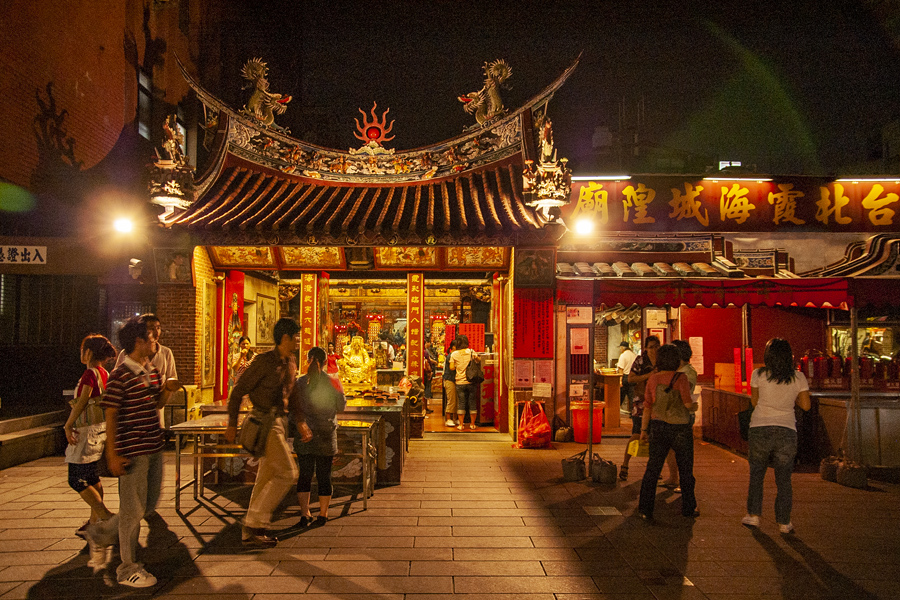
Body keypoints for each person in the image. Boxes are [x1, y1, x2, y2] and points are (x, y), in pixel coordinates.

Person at [87, 317, 178, 587]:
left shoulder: (151, 371)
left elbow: (156, 404)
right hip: (133, 451)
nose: (155, 341)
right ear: (138, 342)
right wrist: (112, 455)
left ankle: (103, 532)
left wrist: (167, 391)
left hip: (153, 447)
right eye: (150, 337)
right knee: (132, 511)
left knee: (146, 506)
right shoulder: (120, 375)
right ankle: (127, 570)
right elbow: (111, 415)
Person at [224, 318, 312, 548]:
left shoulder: (291, 362)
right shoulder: (263, 362)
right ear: (284, 338)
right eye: (295, 338)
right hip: (264, 421)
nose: (298, 342)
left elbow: (293, 396)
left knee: (265, 476)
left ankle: (250, 531)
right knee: (287, 472)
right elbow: (238, 392)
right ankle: (254, 522)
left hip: (279, 423)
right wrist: (232, 423)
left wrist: (300, 422)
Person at [742, 338, 811, 534]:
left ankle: (754, 516)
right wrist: (790, 399)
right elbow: (806, 405)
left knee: (757, 475)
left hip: (760, 428)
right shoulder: (798, 377)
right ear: (789, 356)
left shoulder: (758, 375)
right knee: (783, 479)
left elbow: (754, 402)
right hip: (787, 430)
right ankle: (784, 522)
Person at [64, 334, 117, 569]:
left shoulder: (89, 374)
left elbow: (83, 400)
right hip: (100, 429)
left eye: (82, 348)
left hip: (85, 432)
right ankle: (93, 524)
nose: (80, 352)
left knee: (76, 478)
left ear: (88, 352)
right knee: (92, 477)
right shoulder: (104, 374)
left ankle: (105, 517)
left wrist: (68, 424)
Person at [637, 343, 699, 521]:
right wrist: (695, 406)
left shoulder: (653, 379)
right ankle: (688, 507)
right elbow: (687, 404)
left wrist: (643, 430)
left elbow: (647, 407)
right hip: (680, 428)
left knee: (653, 469)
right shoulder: (681, 379)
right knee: (686, 470)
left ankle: (645, 509)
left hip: (658, 427)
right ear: (676, 360)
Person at [294, 346, 347, 525]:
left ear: (307, 360)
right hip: (326, 434)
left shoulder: (299, 383)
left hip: (305, 434)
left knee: (305, 474)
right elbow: (341, 406)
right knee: (324, 475)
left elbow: (293, 408)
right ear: (326, 362)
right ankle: (323, 514)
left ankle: (304, 512)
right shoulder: (333, 382)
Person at [114, 313, 178, 428]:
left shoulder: (156, 370)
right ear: (139, 340)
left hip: (154, 427)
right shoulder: (120, 372)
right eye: (150, 330)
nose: (155, 333)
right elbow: (112, 413)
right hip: (130, 433)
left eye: (158, 328)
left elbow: (159, 403)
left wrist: (168, 388)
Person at [660, 340, 700, 490]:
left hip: (684, 415)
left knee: (683, 453)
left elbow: (682, 392)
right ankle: (673, 477)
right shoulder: (677, 371)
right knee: (671, 449)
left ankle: (684, 484)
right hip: (673, 414)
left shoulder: (688, 372)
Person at [619, 335, 660, 480]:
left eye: (656, 346)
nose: (654, 350)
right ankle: (625, 465)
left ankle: (655, 468)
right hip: (641, 403)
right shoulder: (641, 361)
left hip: (657, 404)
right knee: (636, 435)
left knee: (656, 437)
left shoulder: (663, 361)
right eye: (651, 347)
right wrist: (649, 375)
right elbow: (630, 378)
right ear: (646, 349)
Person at [450, 335, 479, 430]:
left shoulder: (454, 354)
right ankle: (472, 424)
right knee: (472, 402)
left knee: (461, 402)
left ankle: (461, 425)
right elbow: (479, 360)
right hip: (471, 381)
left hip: (460, 382)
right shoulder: (471, 351)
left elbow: (451, 368)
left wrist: (458, 366)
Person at [443, 339, 459, 427]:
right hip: (450, 380)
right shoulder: (451, 356)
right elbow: (452, 368)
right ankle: (448, 419)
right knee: (451, 400)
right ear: (453, 347)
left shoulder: (454, 355)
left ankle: (455, 418)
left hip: (455, 379)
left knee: (456, 400)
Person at [616, 340, 637, 409]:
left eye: (620, 348)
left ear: (622, 348)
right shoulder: (634, 355)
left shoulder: (623, 355)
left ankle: (615, 412)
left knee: (620, 396)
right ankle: (632, 413)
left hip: (625, 377)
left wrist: (620, 380)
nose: (620, 349)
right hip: (633, 377)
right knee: (632, 397)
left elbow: (621, 369)